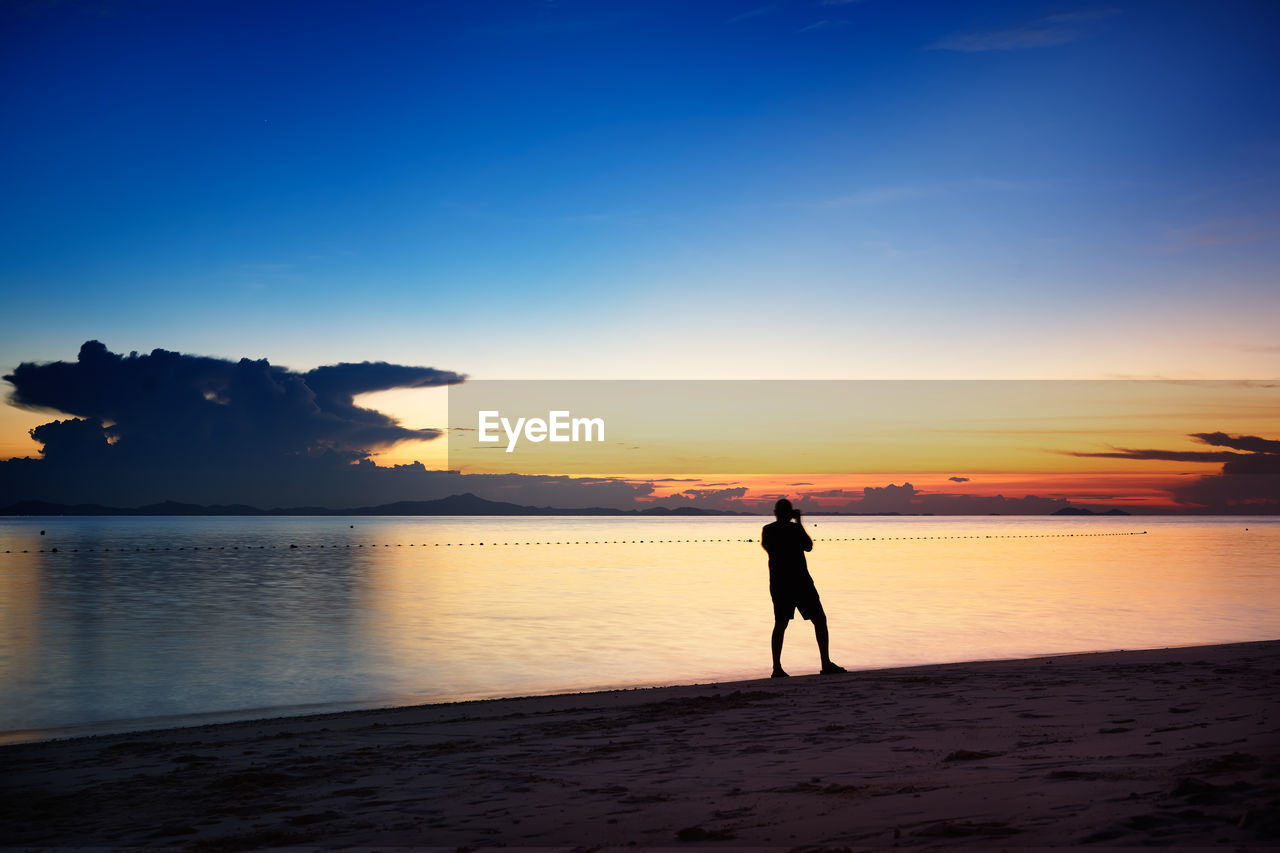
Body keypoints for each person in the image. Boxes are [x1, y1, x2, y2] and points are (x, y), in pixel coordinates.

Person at [761, 498, 845, 678]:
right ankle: (819, 663)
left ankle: (819, 663)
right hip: (794, 582)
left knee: (807, 621)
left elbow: (807, 547)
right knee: (794, 622)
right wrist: (798, 522)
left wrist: (796, 524)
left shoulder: (771, 530)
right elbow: (807, 546)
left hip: (789, 583)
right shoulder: (780, 530)